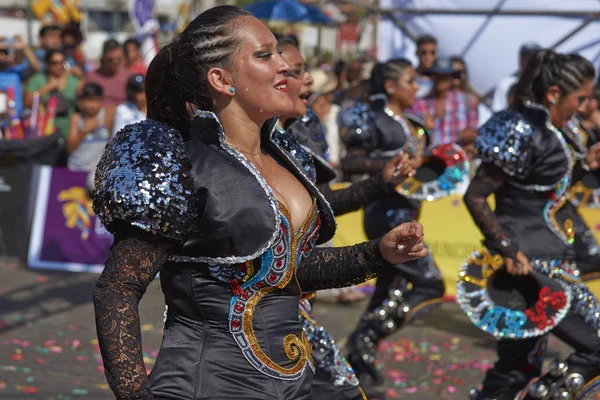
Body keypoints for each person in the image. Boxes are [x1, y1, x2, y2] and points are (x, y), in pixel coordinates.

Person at [92, 6, 428, 400]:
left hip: (295, 383)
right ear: (221, 79)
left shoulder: (288, 156)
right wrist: (135, 394)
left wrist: (377, 253)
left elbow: (284, 271)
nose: (285, 65)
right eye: (266, 55)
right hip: (207, 385)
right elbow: (118, 286)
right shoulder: (179, 161)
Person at [277, 38, 415, 400]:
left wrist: (380, 184)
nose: (308, 81)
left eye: (304, 70)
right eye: (293, 73)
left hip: (294, 304)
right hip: (238, 328)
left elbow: (324, 204)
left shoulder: (300, 136)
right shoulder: (226, 153)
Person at [462, 50, 600, 400]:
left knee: (518, 368)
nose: (584, 106)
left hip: (550, 262)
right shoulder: (521, 128)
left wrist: (584, 167)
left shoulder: (551, 130)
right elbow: (476, 195)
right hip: (532, 267)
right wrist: (506, 247)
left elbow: (540, 190)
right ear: (553, 93)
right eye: (580, 98)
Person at [339, 59, 447, 390]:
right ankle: (364, 340)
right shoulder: (374, 119)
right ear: (390, 86)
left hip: (408, 214)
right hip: (386, 215)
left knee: (388, 288)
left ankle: (360, 352)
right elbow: (350, 160)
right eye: (411, 81)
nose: (417, 87)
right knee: (430, 283)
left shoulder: (411, 122)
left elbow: (421, 167)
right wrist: (392, 165)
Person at [410, 56, 479, 145]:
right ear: (432, 76)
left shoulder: (468, 101)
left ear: (451, 78)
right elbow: (413, 135)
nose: (440, 80)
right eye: (437, 76)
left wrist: (468, 135)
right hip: (430, 156)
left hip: (457, 155)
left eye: (444, 76)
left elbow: (474, 133)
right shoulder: (418, 104)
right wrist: (424, 129)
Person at [25, 49, 81, 137]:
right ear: (47, 64)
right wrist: (47, 87)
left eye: (62, 62)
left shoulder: (73, 81)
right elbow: (27, 102)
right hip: (44, 132)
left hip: (69, 130)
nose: (59, 66)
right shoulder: (37, 80)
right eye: (54, 63)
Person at [67, 83, 114, 172]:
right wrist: (85, 131)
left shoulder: (106, 116)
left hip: (97, 171)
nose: (91, 105)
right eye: (88, 100)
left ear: (101, 101)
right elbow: (70, 148)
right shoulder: (76, 118)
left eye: (95, 100)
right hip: (77, 168)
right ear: (81, 101)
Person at [491, 42, 541, 112]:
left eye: (532, 58)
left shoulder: (543, 88)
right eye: (524, 57)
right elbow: (497, 111)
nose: (527, 62)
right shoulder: (506, 84)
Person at [85, 39, 131, 107]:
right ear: (104, 57)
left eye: (118, 59)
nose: (115, 62)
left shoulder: (128, 77)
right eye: (111, 60)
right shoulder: (91, 77)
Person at [414, 35, 437, 99]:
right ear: (417, 53)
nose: (428, 57)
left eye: (432, 53)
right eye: (424, 53)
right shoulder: (410, 78)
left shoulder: (441, 80)